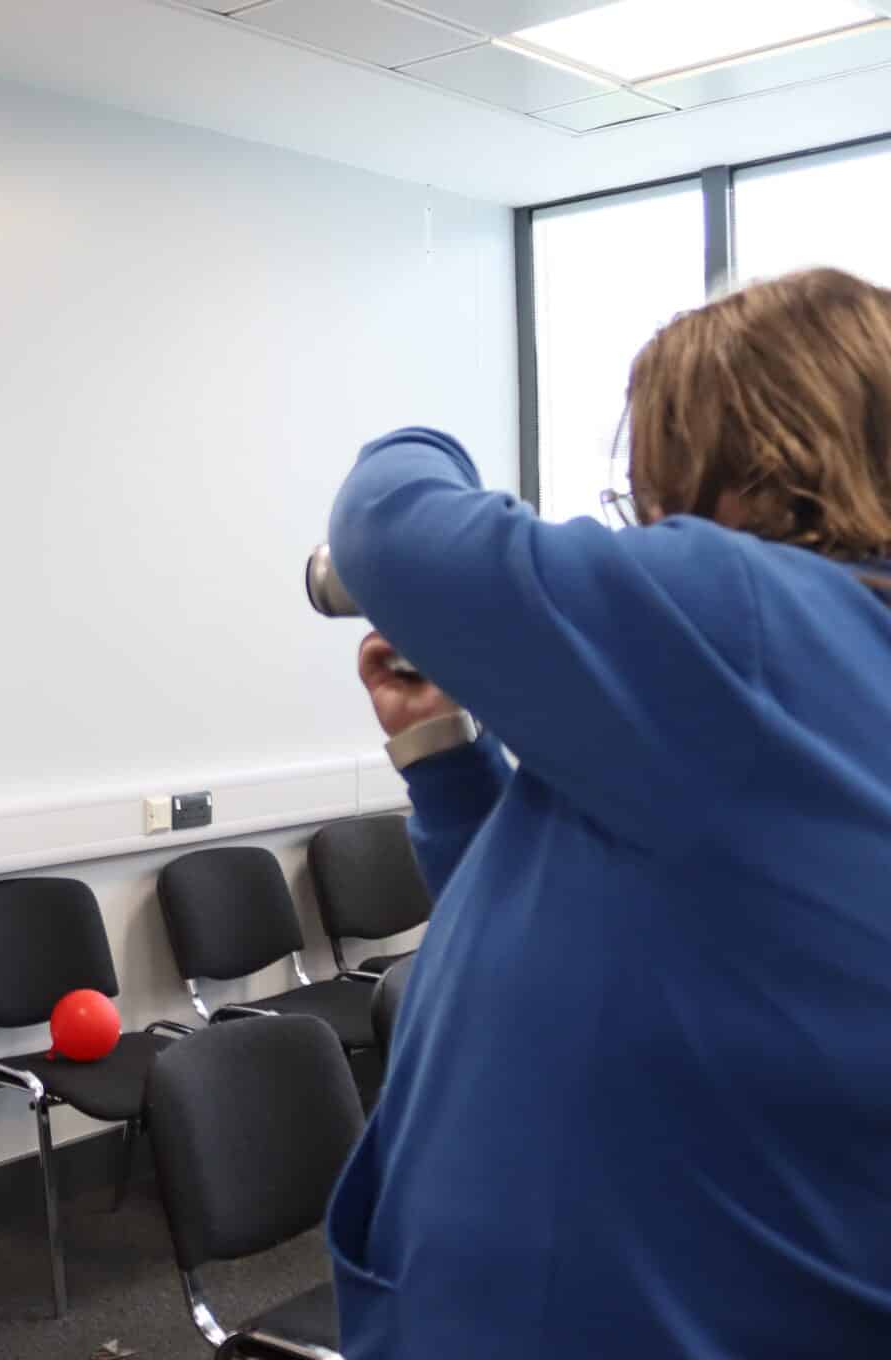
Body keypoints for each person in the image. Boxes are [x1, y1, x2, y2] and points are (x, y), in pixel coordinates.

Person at [324, 267, 891, 1356]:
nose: (649, 526)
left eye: (654, 485)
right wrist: (441, 757)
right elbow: (589, 930)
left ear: (754, 464)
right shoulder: (815, 678)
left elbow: (388, 528)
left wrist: (418, 434)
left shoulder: (751, 626)